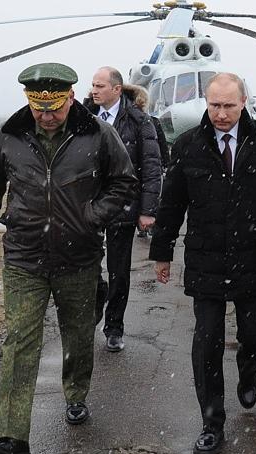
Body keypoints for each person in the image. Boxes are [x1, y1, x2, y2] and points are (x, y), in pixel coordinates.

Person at [0, 63, 137, 454]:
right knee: (20, 342)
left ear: (71, 98)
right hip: (24, 257)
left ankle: (76, 394)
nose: (46, 116)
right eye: (38, 108)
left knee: (78, 336)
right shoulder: (11, 135)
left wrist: (92, 217)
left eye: (55, 108)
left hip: (78, 258)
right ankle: (12, 436)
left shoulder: (97, 134)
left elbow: (124, 182)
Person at [149, 73, 256, 454]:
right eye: (214, 105)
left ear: (244, 101)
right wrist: (162, 252)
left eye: (228, 106)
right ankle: (212, 423)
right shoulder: (189, 145)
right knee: (207, 341)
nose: (220, 113)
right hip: (207, 259)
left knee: (255, 333)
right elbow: (171, 204)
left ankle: (248, 369)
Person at [84, 66, 162, 352]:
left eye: (100, 85)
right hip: (88, 207)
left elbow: (153, 167)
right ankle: (94, 303)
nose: (94, 90)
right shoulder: (84, 118)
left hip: (123, 205)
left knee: (120, 270)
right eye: (93, 85)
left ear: (117, 89)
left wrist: (148, 209)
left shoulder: (140, 121)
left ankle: (114, 327)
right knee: (88, 265)